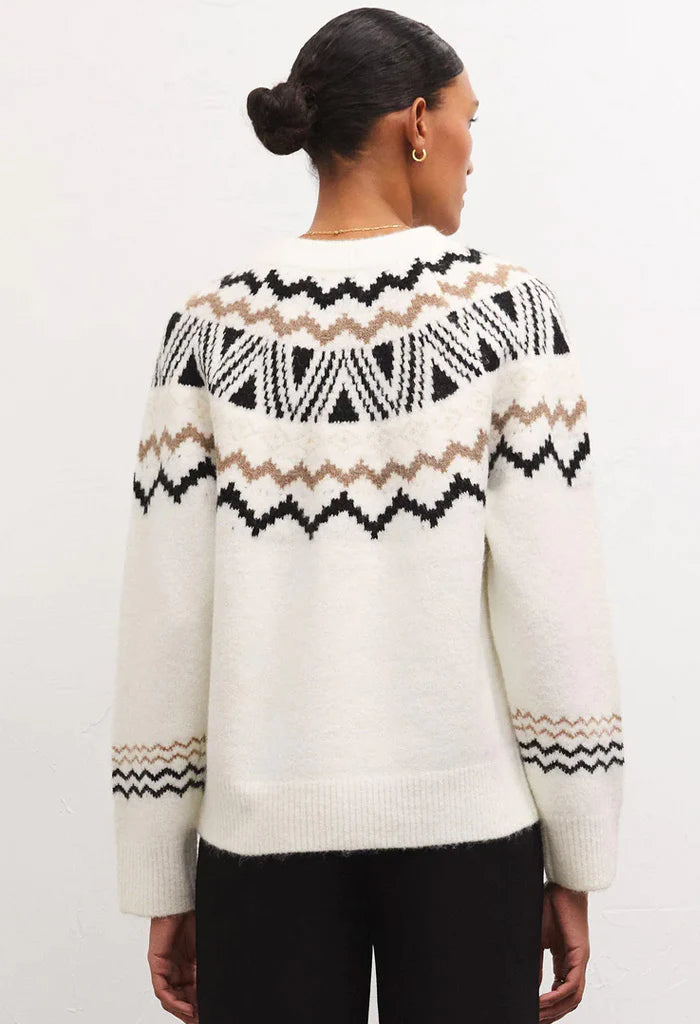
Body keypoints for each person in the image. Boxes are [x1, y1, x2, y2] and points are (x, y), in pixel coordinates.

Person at [110, 8, 625, 1023]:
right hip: (472, 837)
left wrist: (161, 868)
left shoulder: (206, 330)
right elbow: (553, 606)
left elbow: (168, 619)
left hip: (258, 841)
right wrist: (577, 849)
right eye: (469, 119)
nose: (472, 149)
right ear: (417, 122)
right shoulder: (508, 314)